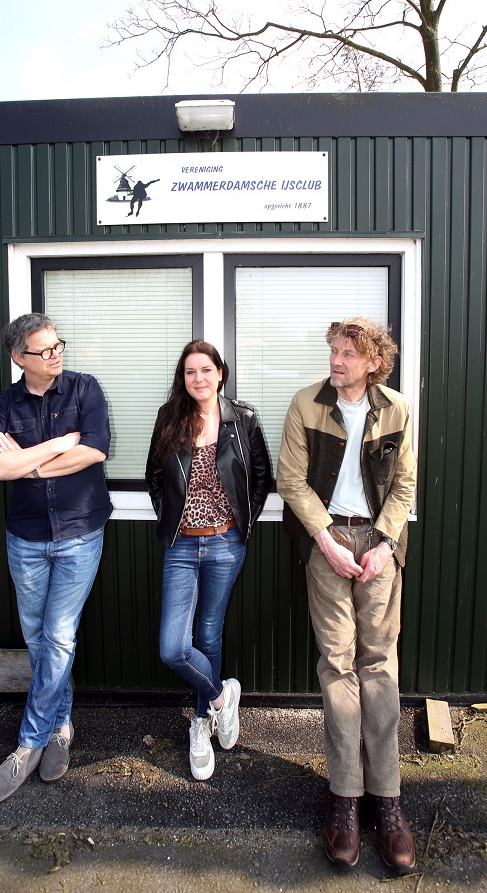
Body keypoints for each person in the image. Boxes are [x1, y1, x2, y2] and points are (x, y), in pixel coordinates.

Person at [276, 318, 417, 874]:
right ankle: (344, 799)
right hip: (326, 540)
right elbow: (291, 480)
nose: (336, 361)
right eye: (333, 351)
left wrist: (384, 544)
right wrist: (326, 542)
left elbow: (404, 485)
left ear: (374, 362)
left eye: (348, 354)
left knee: (379, 664)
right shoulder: (306, 404)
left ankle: (387, 800)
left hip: (380, 544)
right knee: (337, 665)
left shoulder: (399, 410)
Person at [0, 313, 112, 806]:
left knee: (57, 635)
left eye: (58, 345)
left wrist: (26, 462)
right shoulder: (4, 404)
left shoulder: (84, 389)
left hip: (79, 533)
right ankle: (61, 727)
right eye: (44, 350)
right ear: (19, 358)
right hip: (26, 539)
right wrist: (55, 447)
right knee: (38, 637)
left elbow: (95, 450)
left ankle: (28, 743)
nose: (56, 354)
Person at [146, 340, 271, 780]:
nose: (197, 378)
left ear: (221, 372)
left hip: (225, 544)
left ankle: (202, 722)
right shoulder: (170, 418)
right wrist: (171, 520)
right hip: (182, 545)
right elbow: (154, 478)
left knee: (209, 636)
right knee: (174, 648)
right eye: (189, 372)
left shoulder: (243, 420)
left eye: (205, 370)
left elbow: (260, 478)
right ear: (183, 379)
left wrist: (241, 525)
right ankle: (222, 696)